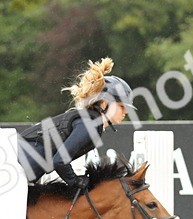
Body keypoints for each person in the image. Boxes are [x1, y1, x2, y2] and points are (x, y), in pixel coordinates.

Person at [16, 58, 133, 188]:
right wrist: (76, 181)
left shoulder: (90, 122)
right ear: (105, 104)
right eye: (121, 106)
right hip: (14, 169)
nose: (126, 112)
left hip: (19, 170)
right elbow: (59, 161)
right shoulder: (90, 125)